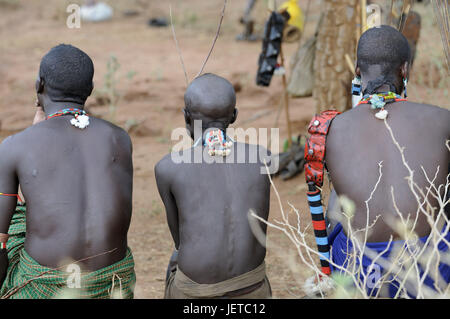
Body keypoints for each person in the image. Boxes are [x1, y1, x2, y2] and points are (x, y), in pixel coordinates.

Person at [315, 25, 449, 297]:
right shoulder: (443, 120)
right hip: (430, 266)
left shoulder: (328, 129)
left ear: (356, 70)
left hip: (361, 268)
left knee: (335, 197)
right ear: (405, 70)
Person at [0, 44, 135, 299]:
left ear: (39, 85)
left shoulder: (14, 146)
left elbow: (0, 240)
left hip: (44, 287)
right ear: (91, 90)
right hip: (112, 285)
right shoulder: (120, 139)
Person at [155, 73, 272, 299]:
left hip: (195, 294)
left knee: (175, 261)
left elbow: (180, 241)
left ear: (186, 117)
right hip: (252, 290)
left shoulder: (167, 168)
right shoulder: (264, 158)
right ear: (235, 116)